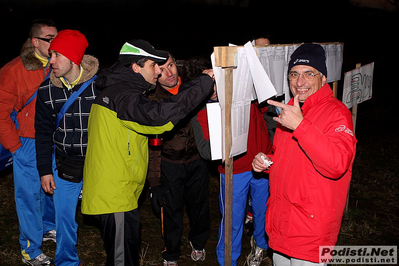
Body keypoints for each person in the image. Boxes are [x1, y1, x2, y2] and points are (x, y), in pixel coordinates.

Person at [81, 39, 214, 266]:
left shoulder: (120, 91)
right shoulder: (123, 96)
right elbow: (160, 118)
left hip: (120, 193)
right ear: (136, 67)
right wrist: (204, 82)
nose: (159, 72)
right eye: (154, 66)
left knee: (123, 256)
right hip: (114, 196)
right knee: (123, 260)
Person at [252, 44, 357, 266]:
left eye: (309, 74)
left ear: (323, 78)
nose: (300, 82)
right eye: (294, 74)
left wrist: (300, 126)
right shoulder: (291, 109)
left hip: (312, 231)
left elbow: (337, 164)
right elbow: (289, 158)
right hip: (283, 224)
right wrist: (267, 162)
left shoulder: (337, 113)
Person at [35, 29, 99, 266]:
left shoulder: (100, 87)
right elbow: (42, 134)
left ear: (74, 59)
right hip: (65, 163)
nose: (50, 61)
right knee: (63, 218)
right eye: (50, 54)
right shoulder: (46, 91)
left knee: (109, 217)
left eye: (56, 55)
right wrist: (44, 170)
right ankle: (67, 261)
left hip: (98, 164)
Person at [191, 80, 273, 266]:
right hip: (234, 171)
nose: (213, 90)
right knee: (232, 219)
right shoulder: (202, 112)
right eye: (207, 85)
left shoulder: (246, 97)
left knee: (263, 211)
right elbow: (205, 150)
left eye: (216, 82)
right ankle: (227, 259)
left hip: (263, 164)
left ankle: (260, 246)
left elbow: (267, 112)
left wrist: (269, 141)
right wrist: (225, 132)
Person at [0, 19, 57, 265]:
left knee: (53, 187)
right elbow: (1, 113)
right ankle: (30, 249)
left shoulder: (60, 65)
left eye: (57, 37)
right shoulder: (14, 70)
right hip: (27, 141)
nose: (55, 43)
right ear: (35, 42)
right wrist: (16, 148)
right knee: (29, 196)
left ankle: (49, 227)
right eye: (49, 39)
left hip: (53, 139)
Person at [146, 54, 211, 266]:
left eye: (171, 65)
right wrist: (154, 181)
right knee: (171, 209)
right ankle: (171, 253)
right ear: (155, 73)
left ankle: (198, 242)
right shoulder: (152, 100)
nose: (169, 73)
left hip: (197, 160)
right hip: (170, 164)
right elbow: (152, 146)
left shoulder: (194, 89)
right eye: (162, 69)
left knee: (199, 205)